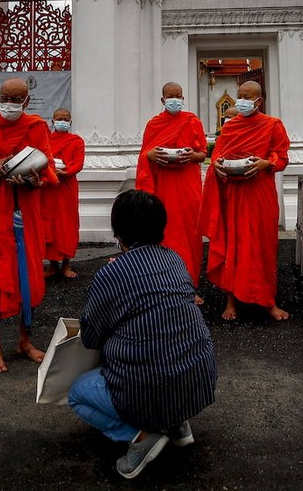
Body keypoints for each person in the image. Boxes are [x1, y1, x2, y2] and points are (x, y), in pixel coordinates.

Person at [69, 189, 217, 479]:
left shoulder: (111, 275)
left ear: (118, 233)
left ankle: (141, 436)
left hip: (148, 388)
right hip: (199, 381)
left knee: (77, 393)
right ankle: (176, 424)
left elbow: (90, 337)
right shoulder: (175, 260)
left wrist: (114, 281)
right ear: (161, 228)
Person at [0, 77, 57, 372]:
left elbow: (47, 167)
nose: (10, 105)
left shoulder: (36, 127)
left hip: (24, 213)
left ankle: (24, 340)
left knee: (26, 276)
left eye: (16, 100)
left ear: (26, 101)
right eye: (6, 98)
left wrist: (31, 180)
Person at [199, 80, 291, 321]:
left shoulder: (272, 125)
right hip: (235, 194)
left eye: (247, 97)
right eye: (240, 95)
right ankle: (231, 301)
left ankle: (267, 301)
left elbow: (281, 158)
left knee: (262, 247)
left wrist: (265, 163)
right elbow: (218, 156)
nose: (242, 100)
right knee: (234, 246)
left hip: (260, 194)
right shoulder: (230, 128)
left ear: (258, 101)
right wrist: (217, 166)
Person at [136, 82, 208, 302]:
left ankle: (189, 286)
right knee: (164, 234)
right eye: (170, 96)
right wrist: (150, 156)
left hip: (187, 187)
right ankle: (164, 285)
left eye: (178, 96)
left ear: (183, 98)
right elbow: (145, 153)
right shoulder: (154, 124)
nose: (174, 100)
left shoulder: (191, 121)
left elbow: (203, 153)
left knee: (189, 235)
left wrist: (191, 156)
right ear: (162, 100)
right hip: (163, 187)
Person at [42, 107, 84, 279]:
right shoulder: (46, 141)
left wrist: (66, 172)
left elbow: (78, 162)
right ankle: (52, 266)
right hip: (49, 188)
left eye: (66, 119)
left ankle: (66, 265)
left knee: (67, 225)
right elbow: (42, 159)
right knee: (50, 225)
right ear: (52, 121)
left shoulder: (76, 141)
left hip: (66, 188)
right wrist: (51, 172)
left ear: (70, 121)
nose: (62, 121)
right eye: (59, 118)